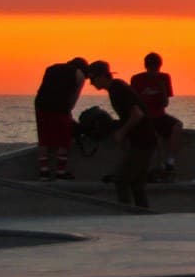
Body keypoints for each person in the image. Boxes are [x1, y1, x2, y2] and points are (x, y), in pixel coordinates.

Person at [86, 61, 156, 209]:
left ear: (101, 77)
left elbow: (137, 114)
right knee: (137, 184)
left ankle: (126, 215)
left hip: (143, 141)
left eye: (92, 79)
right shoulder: (115, 89)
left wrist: (121, 132)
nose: (91, 83)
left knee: (122, 180)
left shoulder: (117, 89)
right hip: (143, 140)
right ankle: (142, 215)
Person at [32, 56, 90, 180]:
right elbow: (74, 98)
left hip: (41, 104)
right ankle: (60, 172)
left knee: (44, 138)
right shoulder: (79, 75)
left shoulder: (51, 68)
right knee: (64, 140)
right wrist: (68, 113)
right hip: (60, 107)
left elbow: (44, 89)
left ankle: (44, 172)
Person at [130, 52, 181, 178]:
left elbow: (165, 103)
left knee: (177, 125)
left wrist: (162, 89)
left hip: (160, 116)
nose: (154, 71)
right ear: (146, 66)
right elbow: (134, 102)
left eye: (156, 67)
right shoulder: (137, 79)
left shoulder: (164, 78)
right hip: (144, 118)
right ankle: (158, 167)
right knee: (155, 139)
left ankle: (170, 161)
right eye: (151, 67)